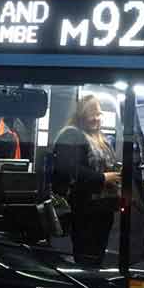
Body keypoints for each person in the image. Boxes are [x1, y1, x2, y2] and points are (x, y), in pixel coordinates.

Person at [52, 95, 122, 266]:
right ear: (81, 115)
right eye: (92, 114)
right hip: (84, 210)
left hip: (103, 208)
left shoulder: (101, 139)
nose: (96, 119)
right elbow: (69, 169)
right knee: (86, 258)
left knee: (97, 257)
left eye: (99, 114)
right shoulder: (70, 135)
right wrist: (103, 178)